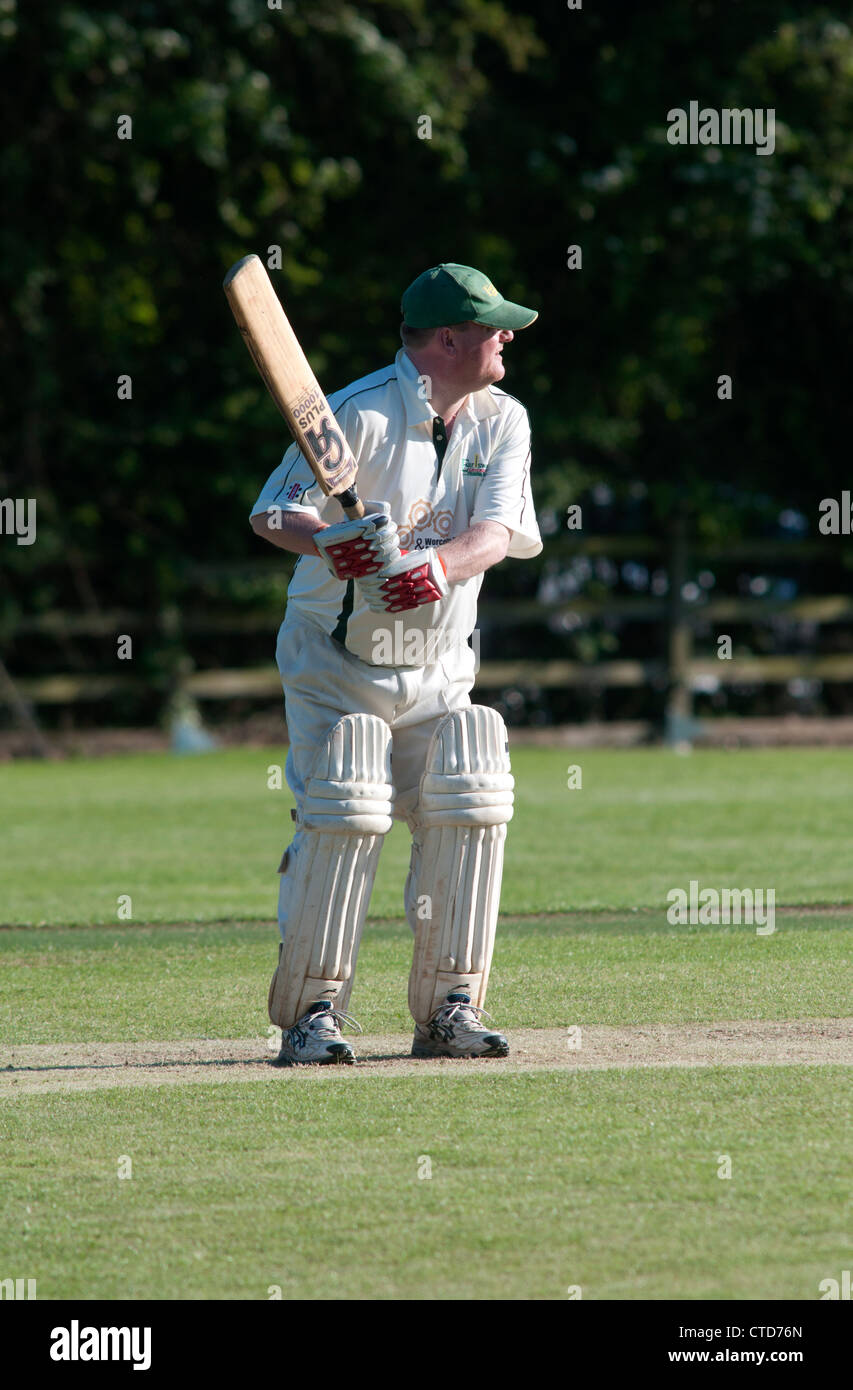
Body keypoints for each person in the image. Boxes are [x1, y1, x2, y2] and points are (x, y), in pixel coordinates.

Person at [249, 262, 542, 1065]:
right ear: (448, 339)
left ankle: (451, 1006)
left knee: (469, 797)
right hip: (336, 660)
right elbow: (273, 511)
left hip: (440, 663)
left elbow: (495, 533)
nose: (507, 336)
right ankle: (313, 1015)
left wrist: (437, 568)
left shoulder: (501, 420)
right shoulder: (356, 413)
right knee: (345, 810)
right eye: (493, 327)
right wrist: (329, 541)